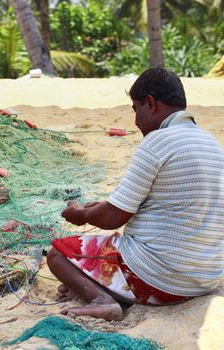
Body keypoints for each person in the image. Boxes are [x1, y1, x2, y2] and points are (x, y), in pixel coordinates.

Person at [46, 67, 224, 321]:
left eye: (136, 109)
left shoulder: (158, 141)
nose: (136, 121)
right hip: (204, 280)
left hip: (159, 281)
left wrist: (81, 213)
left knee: (58, 254)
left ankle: (102, 299)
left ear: (150, 103)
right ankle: (105, 287)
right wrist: (103, 207)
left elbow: (112, 218)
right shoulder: (212, 145)